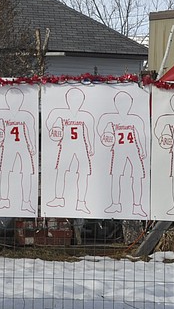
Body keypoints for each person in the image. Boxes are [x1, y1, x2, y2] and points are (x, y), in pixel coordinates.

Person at [43, 86, 95, 214]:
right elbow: (49, 121)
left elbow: (90, 131)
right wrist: (54, 128)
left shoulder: (85, 115)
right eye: (72, 99)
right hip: (66, 146)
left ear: (82, 101)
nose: (74, 102)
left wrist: (90, 145)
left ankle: (81, 202)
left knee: (82, 174)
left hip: (81, 146)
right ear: (67, 100)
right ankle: (59, 198)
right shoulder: (60, 113)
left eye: (77, 99)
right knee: (61, 171)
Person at [0, 87, 37, 213]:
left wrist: (32, 145)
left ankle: (26, 202)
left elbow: (31, 130)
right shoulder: (2, 113)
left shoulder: (26, 114)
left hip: (23, 146)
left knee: (26, 173)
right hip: (8, 145)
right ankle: (4, 199)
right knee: (5, 172)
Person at [97, 89, 147, 217]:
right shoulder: (110, 117)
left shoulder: (135, 119)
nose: (123, 106)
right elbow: (100, 127)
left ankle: (137, 205)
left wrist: (143, 149)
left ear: (130, 104)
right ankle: (115, 204)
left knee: (137, 177)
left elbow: (142, 134)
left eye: (126, 103)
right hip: (118, 150)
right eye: (120, 103)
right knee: (115, 176)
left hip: (133, 149)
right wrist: (105, 135)